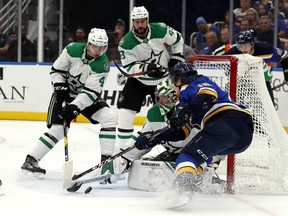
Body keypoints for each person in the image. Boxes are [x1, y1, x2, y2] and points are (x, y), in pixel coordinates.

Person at [134, 62, 254, 195]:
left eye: (174, 81)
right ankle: (193, 178)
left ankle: (184, 186)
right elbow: (180, 133)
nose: (173, 86)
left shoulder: (193, 84)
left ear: (178, 79)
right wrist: (154, 138)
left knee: (187, 155)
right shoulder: (184, 102)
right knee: (202, 155)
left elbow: (208, 96)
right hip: (243, 138)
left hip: (226, 122)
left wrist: (187, 110)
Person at [21, 28, 117, 175]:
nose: (97, 50)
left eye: (101, 47)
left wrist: (73, 108)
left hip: (85, 98)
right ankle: (31, 159)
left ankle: (106, 163)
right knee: (59, 129)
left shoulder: (102, 63)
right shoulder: (72, 50)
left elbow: (90, 92)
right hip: (64, 94)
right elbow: (56, 71)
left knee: (109, 117)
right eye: (94, 46)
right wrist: (59, 86)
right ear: (88, 43)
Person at [116, 6, 185, 150]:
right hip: (138, 82)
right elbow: (129, 67)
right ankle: (123, 152)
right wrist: (146, 69)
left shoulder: (160, 29)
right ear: (133, 22)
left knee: (167, 116)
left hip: (163, 81)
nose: (140, 25)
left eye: (142, 21)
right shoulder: (125, 43)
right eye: (137, 22)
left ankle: (173, 148)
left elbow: (178, 39)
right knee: (124, 113)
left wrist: (176, 58)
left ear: (147, 20)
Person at [226, 30, 288, 105]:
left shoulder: (265, 49)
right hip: (241, 83)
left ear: (252, 44)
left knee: (269, 107)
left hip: (262, 81)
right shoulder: (232, 53)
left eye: (246, 46)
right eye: (240, 46)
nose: (243, 49)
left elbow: (284, 56)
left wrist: (286, 73)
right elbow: (225, 67)